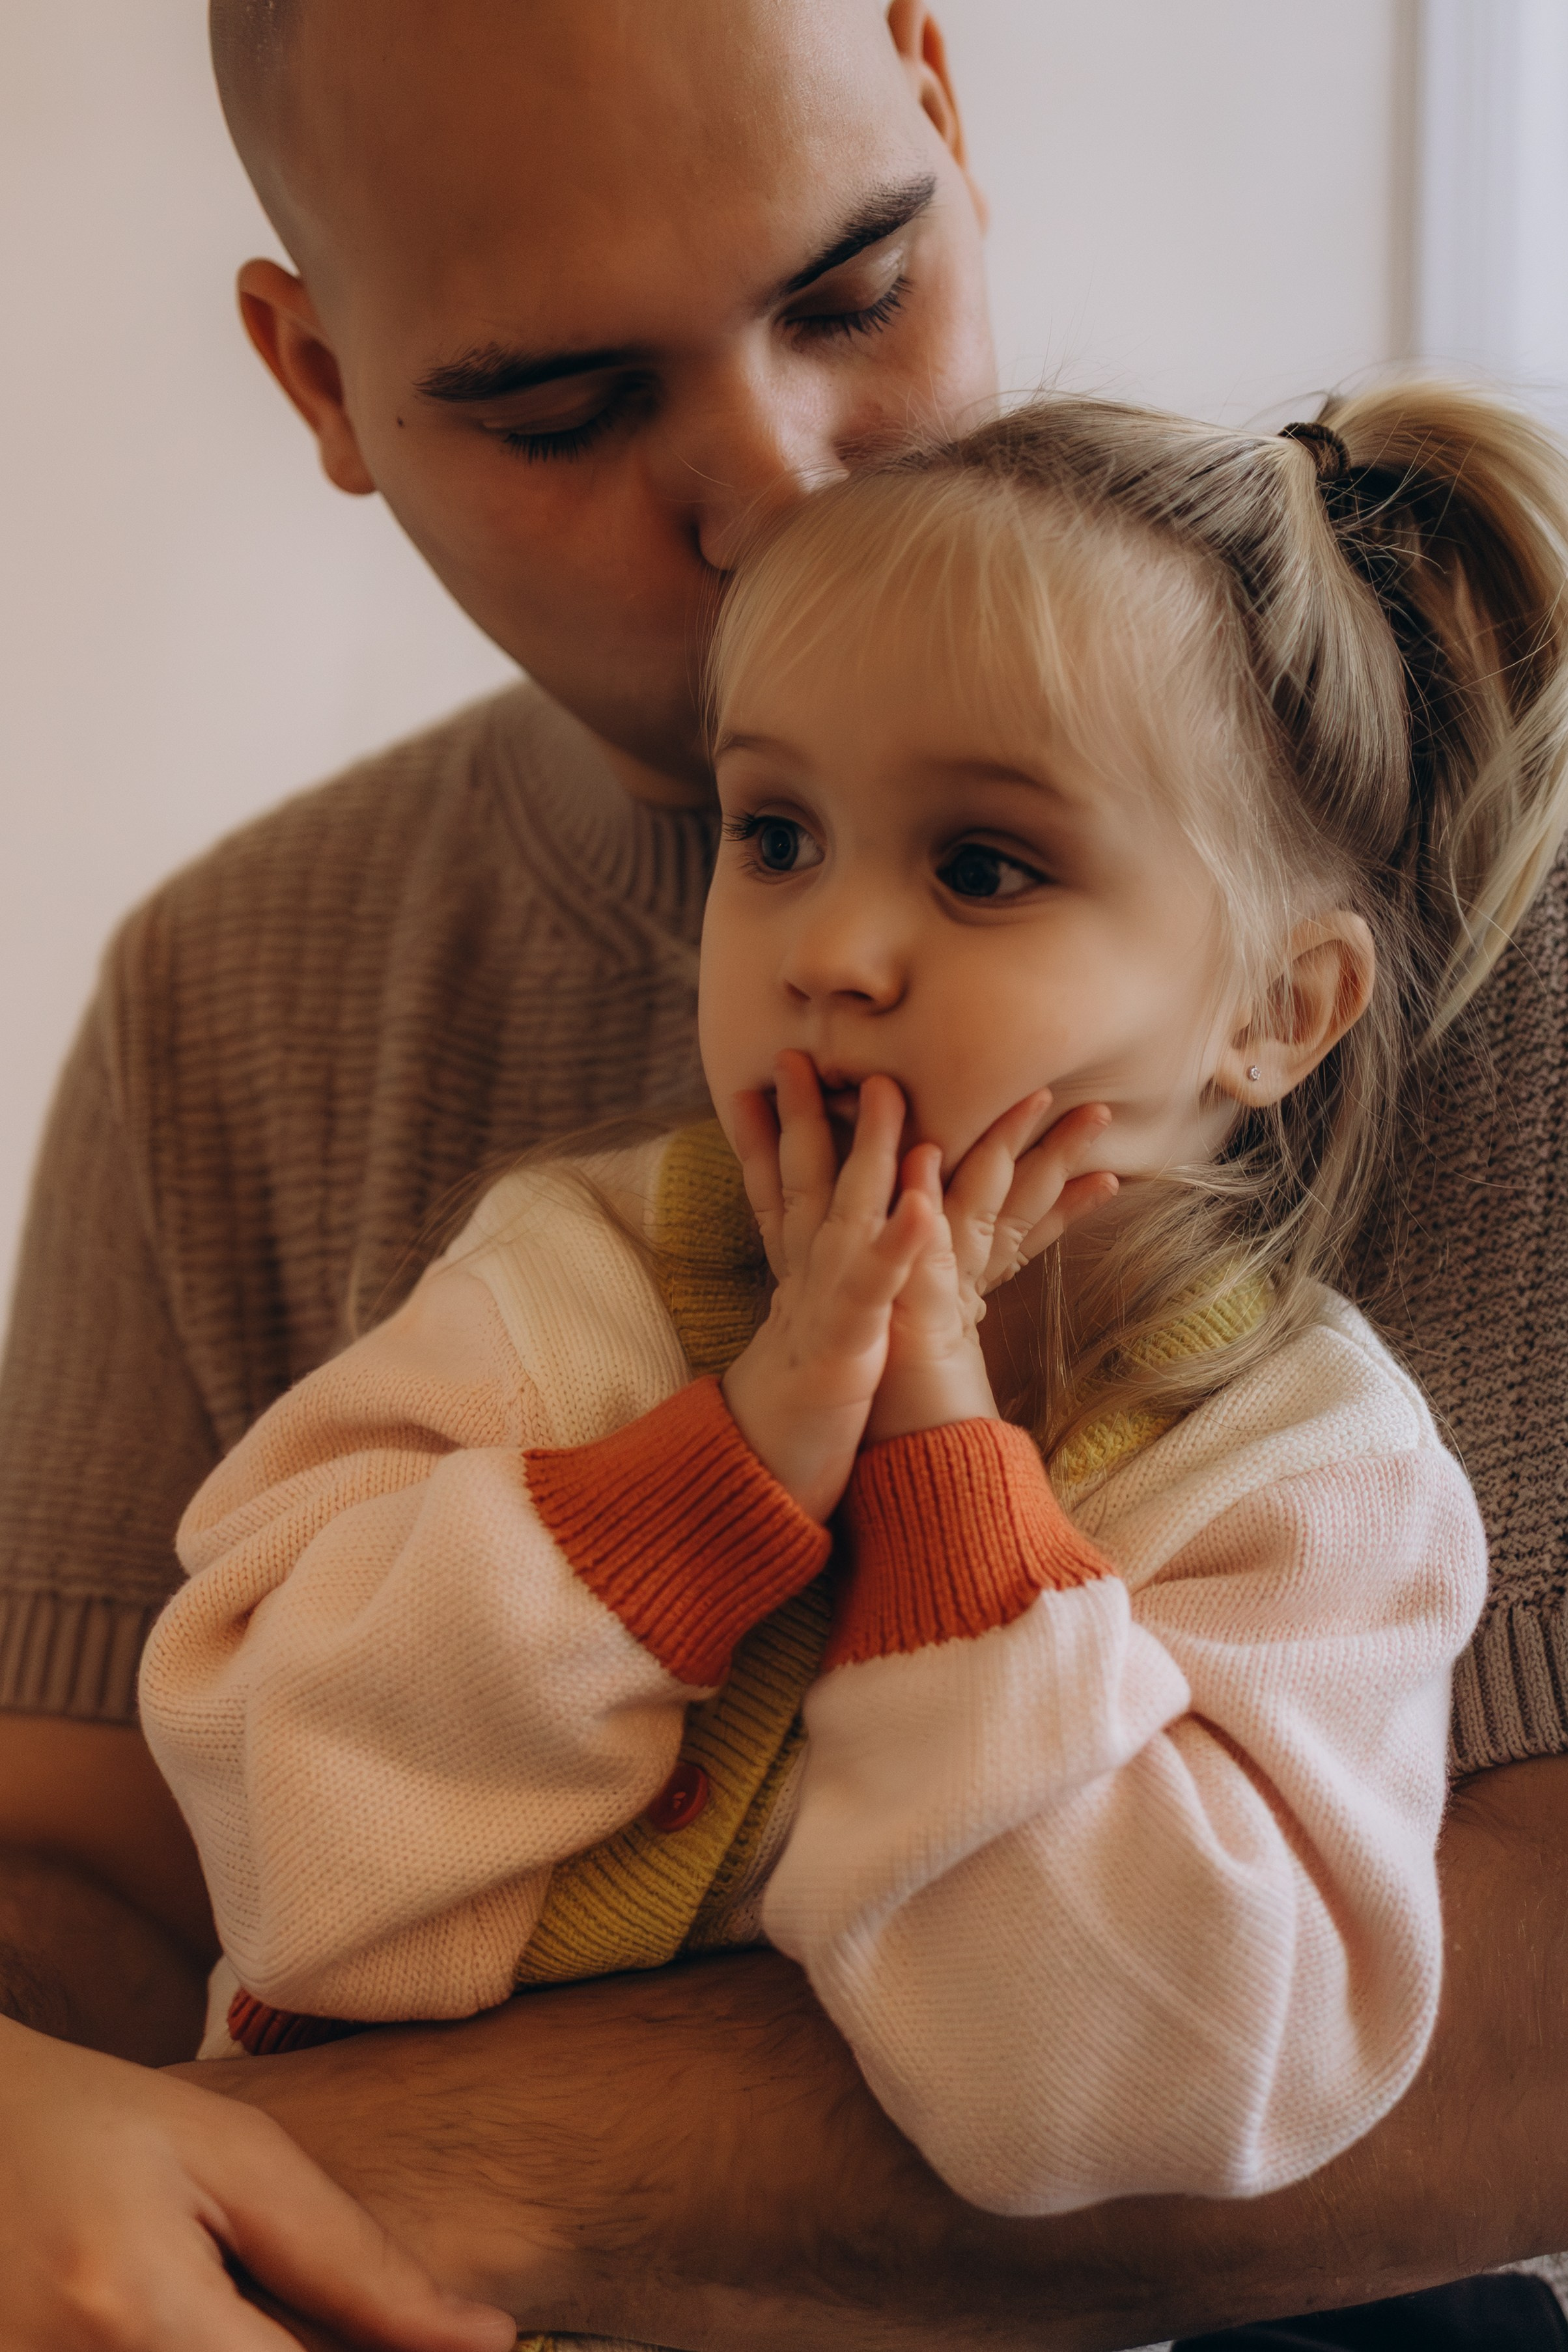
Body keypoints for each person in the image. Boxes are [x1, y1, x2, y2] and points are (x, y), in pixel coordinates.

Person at [0, 4, 1565, 2349]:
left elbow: (1424, 2012)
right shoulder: (281, 1034)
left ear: (939, 97)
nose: (791, 480)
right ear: (318, 379)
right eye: (565, 406)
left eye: (853, 291)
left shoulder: (1481, 934)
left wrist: (388, 2171)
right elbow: (114, 1872)